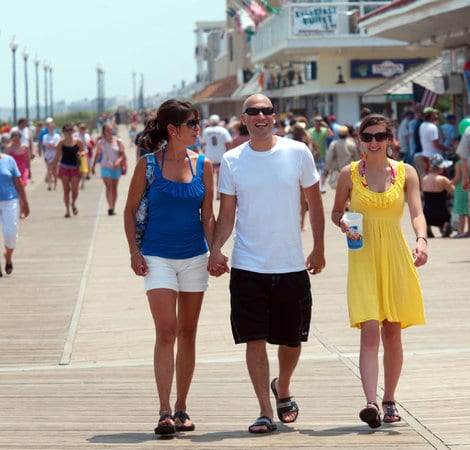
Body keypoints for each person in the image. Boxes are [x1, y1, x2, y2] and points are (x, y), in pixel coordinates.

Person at [207, 94, 325, 434]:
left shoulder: (297, 153)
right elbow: (227, 214)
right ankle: (263, 411)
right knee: (253, 338)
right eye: (254, 112)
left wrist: (319, 248)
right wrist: (216, 248)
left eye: (267, 111)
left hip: (290, 263)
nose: (261, 116)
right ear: (243, 119)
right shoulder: (232, 160)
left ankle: (283, 387)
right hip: (247, 265)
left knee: (292, 340)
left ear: (275, 116)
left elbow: (314, 205)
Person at [123, 99, 215, 436]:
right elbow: (130, 210)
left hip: (194, 257)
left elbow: (208, 215)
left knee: (188, 333)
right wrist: (134, 251)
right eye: (192, 124)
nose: (197, 129)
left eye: (198, 122)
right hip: (157, 255)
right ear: (173, 129)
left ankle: (181, 408)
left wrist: (216, 250)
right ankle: (163, 410)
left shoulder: (203, 165)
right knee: (166, 330)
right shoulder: (147, 165)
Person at [331, 113, 428, 429]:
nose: (373, 142)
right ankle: (371, 401)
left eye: (380, 136)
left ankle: (390, 399)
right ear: (360, 139)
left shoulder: (405, 172)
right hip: (363, 257)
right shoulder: (349, 174)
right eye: (367, 136)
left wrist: (422, 240)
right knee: (370, 330)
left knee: (393, 331)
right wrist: (343, 222)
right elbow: (335, 213)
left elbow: (416, 213)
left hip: (396, 256)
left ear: (390, 139)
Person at [0, 152, 30, 276]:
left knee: (10, 234)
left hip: (9, 200)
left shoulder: (9, 160)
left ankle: (8, 257)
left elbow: (18, 181)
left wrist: (25, 202)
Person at [91, 124, 126, 216]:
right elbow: (97, 155)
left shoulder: (118, 141)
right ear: (104, 131)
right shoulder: (101, 142)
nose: (110, 132)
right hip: (105, 167)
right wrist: (93, 167)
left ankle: (113, 207)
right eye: (107, 130)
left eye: (111, 130)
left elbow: (122, 154)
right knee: (109, 186)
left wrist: (118, 161)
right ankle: (110, 207)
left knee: (114, 188)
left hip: (116, 167)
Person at [53, 124, 84, 218]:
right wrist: (54, 170)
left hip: (76, 168)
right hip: (64, 167)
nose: (69, 131)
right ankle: (67, 210)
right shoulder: (61, 143)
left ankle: (73, 203)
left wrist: (84, 169)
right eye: (67, 130)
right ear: (64, 132)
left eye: (70, 129)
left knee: (75, 190)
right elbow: (57, 156)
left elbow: (83, 155)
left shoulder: (78, 142)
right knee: (66, 190)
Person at [421, 154, 454, 238]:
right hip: (442, 214)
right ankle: (445, 226)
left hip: (427, 214)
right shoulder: (442, 179)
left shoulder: (424, 179)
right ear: (440, 168)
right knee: (448, 215)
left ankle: (427, 227)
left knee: (428, 208)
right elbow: (454, 192)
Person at [201, 114, 232, 199]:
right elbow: (228, 142)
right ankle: (218, 194)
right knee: (219, 176)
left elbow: (203, 143)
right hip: (220, 155)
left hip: (209, 156)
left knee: (209, 177)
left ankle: (210, 194)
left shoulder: (206, 130)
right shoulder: (223, 130)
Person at [325, 125, 360, 189]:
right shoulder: (351, 144)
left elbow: (329, 158)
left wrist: (327, 169)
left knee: (340, 192)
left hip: (339, 172)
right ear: (347, 134)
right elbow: (357, 159)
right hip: (350, 172)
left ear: (338, 134)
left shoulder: (334, 144)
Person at [308, 115, 333, 193]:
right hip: (313, 155)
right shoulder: (310, 131)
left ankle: (322, 186)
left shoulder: (324, 130)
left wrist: (327, 126)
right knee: (315, 173)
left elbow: (331, 135)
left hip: (322, 155)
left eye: (319, 121)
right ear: (314, 122)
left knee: (323, 172)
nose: (318, 123)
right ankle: (317, 186)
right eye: (316, 121)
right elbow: (307, 141)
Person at [451, 156, 469, 237]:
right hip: (468, 189)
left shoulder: (459, 163)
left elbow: (457, 178)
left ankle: (461, 231)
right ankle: (469, 231)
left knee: (461, 212)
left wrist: (450, 183)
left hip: (460, 189)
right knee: (468, 212)